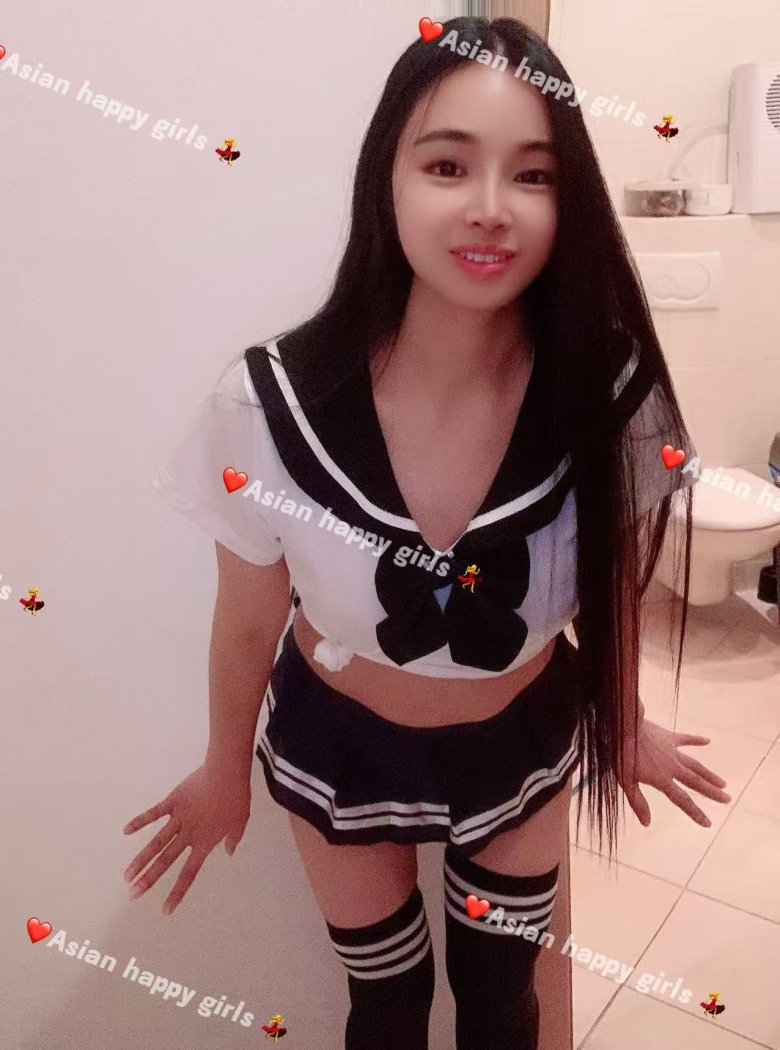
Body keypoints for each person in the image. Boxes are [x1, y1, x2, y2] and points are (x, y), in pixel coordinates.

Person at [122, 16, 731, 1049]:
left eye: (533, 175)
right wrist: (225, 768)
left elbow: (615, 582)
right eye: (448, 165)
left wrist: (622, 718)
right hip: (339, 747)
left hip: (521, 742)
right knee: (388, 1001)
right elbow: (247, 621)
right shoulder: (266, 405)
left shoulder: (613, 392)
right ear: (388, 179)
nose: (490, 207)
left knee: (500, 999)